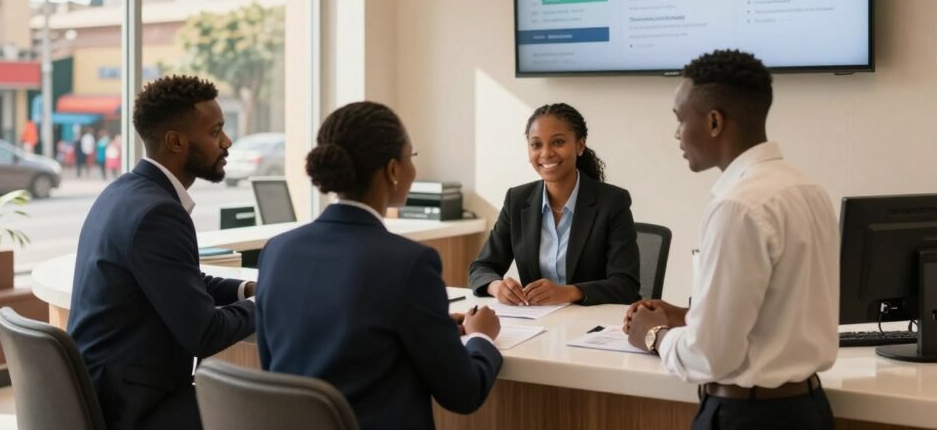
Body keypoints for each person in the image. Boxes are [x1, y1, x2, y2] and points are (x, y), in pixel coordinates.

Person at [625, 50, 839, 430]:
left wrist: (655, 335)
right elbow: (778, 313)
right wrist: (692, 316)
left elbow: (711, 355)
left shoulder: (737, 206)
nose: (676, 133)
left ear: (713, 122)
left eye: (679, 119)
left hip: (749, 417)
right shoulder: (809, 189)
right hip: (810, 410)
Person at [256, 101, 502, 430]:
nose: (414, 171)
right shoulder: (410, 264)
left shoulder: (277, 251)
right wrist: (482, 339)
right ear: (392, 170)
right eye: (411, 158)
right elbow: (463, 394)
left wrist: (433, 328)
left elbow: (274, 366)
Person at [68, 75, 256, 430]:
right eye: (215, 132)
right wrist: (266, 303)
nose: (227, 142)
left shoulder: (122, 192)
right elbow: (204, 333)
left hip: (106, 390)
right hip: (135, 407)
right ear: (175, 141)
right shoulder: (159, 213)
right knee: (261, 416)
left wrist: (244, 290)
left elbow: (177, 279)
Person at [468, 103, 640, 306]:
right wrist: (496, 286)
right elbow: (481, 267)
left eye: (558, 142)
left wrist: (570, 292)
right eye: (536, 144)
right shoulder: (517, 200)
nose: (546, 153)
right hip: (539, 323)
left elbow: (625, 284)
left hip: (593, 324)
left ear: (580, 145)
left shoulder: (612, 202)